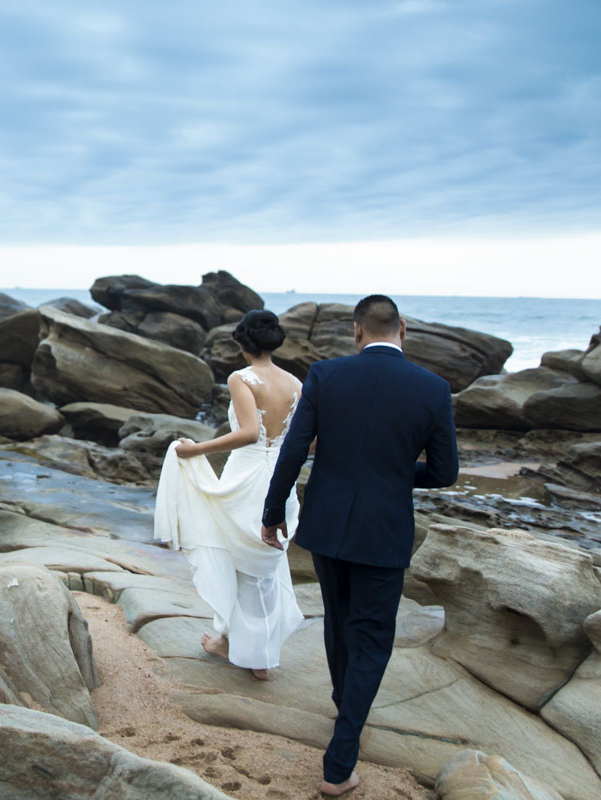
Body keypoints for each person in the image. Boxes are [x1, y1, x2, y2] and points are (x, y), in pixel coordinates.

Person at [260, 295, 458, 796]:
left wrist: (272, 513)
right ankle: (339, 763)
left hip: (327, 525)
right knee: (371, 637)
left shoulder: (326, 376)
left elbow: (293, 451)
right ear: (403, 330)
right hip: (383, 530)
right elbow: (444, 472)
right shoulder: (433, 389)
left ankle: (344, 707)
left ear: (356, 332)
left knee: (339, 622)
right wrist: (393, 474)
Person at [154, 309, 305, 680]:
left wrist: (197, 449)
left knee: (239, 558)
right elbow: (306, 438)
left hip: (248, 473)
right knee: (264, 562)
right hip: (280, 477)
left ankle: (249, 652)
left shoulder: (242, 378)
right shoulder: (296, 383)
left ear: (242, 344)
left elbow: (250, 432)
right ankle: (253, 649)